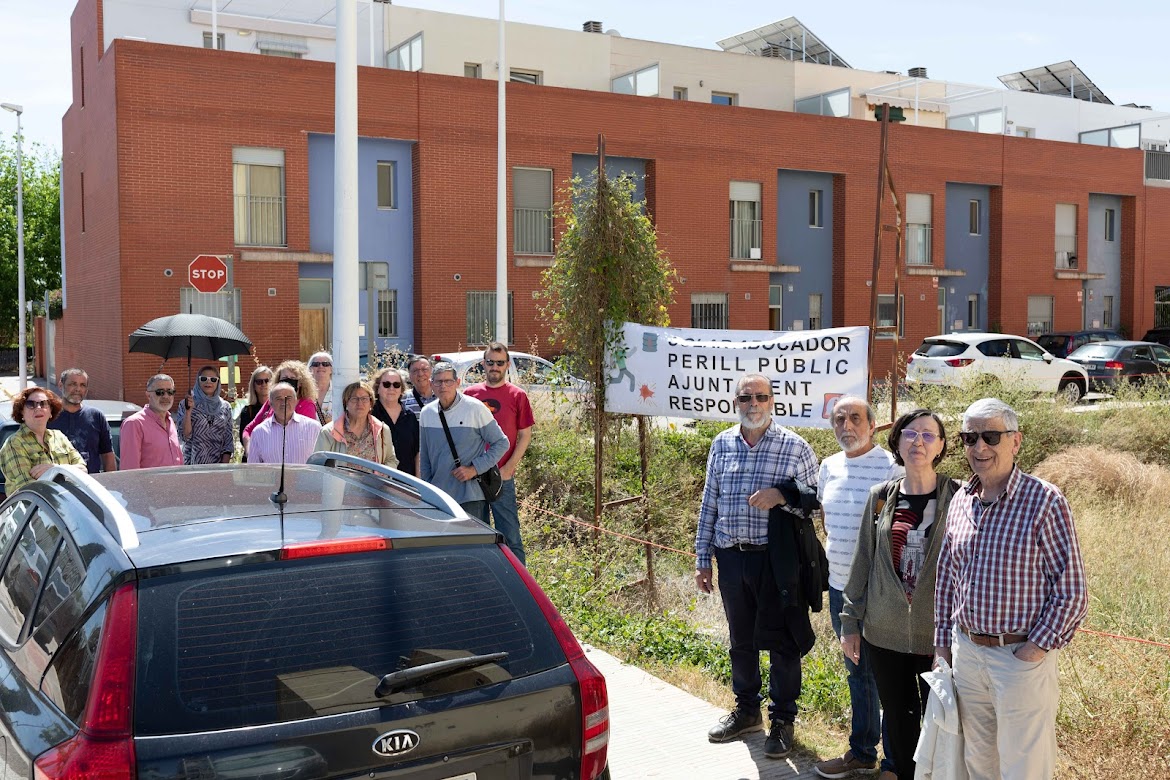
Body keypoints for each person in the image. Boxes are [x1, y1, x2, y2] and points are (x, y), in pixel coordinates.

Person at [934, 398, 1089, 780]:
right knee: (978, 762)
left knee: (1025, 767)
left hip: (1017, 658)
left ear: (1015, 441)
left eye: (990, 436)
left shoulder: (1044, 501)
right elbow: (946, 579)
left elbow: (1072, 591)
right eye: (970, 437)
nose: (979, 447)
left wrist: (1032, 651)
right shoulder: (961, 500)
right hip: (967, 654)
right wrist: (942, 647)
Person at [695, 373, 819, 760]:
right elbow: (709, 502)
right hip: (731, 557)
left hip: (775, 561)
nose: (754, 404)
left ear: (772, 401)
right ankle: (747, 711)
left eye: (761, 397)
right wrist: (702, 559)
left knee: (783, 643)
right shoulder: (722, 443)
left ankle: (782, 719)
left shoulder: (795, 447)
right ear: (735, 402)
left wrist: (781, 494)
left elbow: (815, 501)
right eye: (746, 397)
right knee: (741, 640)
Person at [839, 409, 957, 780]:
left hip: (938, 637)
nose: (918, 441)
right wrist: (849, 623)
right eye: (910, 433)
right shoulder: (880, 498)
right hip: (884, 634)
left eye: (928, 434)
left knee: (943, 724)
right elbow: (862, 562)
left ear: (940, 446)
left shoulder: (959, 496)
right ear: (897, 441)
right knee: (900, 722)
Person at [813, 396, 903, 780]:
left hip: (882, 592)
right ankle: (863, 753)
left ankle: (895, 764)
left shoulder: (893, 467)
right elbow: (826, 520)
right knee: (858, 673)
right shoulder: (828, 466)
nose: (846, 426)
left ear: (871, 424)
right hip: (840, 590)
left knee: (890, 678)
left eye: (854, 418)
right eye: (839, 419)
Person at [464, 341, 535, 564]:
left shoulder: (517, 395)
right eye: (490, 362)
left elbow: (525, 435)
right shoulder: (469, 394)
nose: (495, 367)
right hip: (473, 476)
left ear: (507, 365)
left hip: (502, 476)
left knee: (510, 535)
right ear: (483, 364)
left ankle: (519, 582)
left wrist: (508, 468)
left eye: (500, 363)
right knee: (477, 536)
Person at [418, 361, 508, 521]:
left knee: (473, 538)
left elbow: (501, 443)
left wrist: (474, 469)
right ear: (431, 384)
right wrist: (428, 488)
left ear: (457, 382)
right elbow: (425, 457)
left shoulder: (475, 408)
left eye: (448, 381)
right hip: (439, 497)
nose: (443, 386)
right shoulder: (426, 413)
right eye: (438, 381)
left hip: (471, 497)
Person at [0, 387, 86, 493]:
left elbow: (83, 470)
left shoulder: (59, 436)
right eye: (31, 404)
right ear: (22, 412)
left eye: (43, 403)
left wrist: (54, 469)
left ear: (50, 411)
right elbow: (29, 490)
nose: (38, 408)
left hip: (68, 501)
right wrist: (68, 473)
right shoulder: (14, 444)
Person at [315, 381, 399, 467]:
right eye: (354, 399)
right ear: (346, 403)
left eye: (364, 399)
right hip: (339, 476)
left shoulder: (382, 430)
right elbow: (318, 464)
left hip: (373, 476)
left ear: (371, 403)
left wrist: (381, 473)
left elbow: (391, 460)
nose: (360, 403)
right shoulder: (329, 432)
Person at [49, 367, 115, 474]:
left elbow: (107, 454)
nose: (78, 389)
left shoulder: (96, 416)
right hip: (56, 482)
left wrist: (110, 480)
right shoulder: (48, 416)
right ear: (61, 385)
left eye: (83, 385)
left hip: (91, 481)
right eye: (73, 384)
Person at [242, 360, 320, 449]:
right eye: (285, 378)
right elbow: (248, 430)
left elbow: (303, 436)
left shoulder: (307, 405)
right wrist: (250, 450)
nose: (288, 381)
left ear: (300, 383)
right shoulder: (270, 402)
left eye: (292, 378)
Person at [119, 374, 184, 470]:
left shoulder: (170, 421)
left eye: (170, 392)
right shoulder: (134, 424)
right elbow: (129, 469)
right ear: (148, 395)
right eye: (160, 392)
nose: (166, 396)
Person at [249, 382, 323, 464]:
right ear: (270, 403)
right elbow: (253, 468)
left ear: (295, 401)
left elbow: (322, 464)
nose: (284, 402)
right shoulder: (259, 432)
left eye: (289, 398)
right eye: (278, 399)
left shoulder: (314, 428)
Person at [175, 365, 234, 465]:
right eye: (203, 379)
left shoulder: (225, 407)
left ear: (218, 382)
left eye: (213, 379)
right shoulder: (186, 404)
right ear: (198, 381)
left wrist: (223, 467)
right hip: (192, 466)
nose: (208, 382)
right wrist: (188, 412)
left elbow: (228, 442)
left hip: (218, 466)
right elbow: (184, 437)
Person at [371, 366, 419, 475]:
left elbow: (417, 452)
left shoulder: (410, 416)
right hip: (378, 479)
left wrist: (418, 480)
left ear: (401, 389)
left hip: (407, 480)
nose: (391, 388)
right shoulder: (369, 415)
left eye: (396, 385)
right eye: (386, 384)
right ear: (377, 387)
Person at [238, 365, 274, 463]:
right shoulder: (247, 411)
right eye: (259, 381)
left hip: (273, 459)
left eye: (267, 381)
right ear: (253, 385)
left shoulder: (279, 409)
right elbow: (243, 437)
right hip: (252, 459)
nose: (263, 384)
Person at [309, 351, 334, 424]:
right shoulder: (303, 393)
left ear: (331, 369)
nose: (321, 366)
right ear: (310, 369)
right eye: (316, 364)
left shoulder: (340, 392)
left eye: (325, 364)